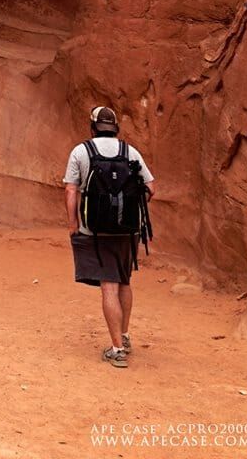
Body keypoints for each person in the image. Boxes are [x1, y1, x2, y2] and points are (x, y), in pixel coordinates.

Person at [63, 105, 155, 368]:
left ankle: (116, 349)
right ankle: (124, 336)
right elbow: (150, 188)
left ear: (92, 128)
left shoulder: (81, 152)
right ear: (115, 129)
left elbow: (71, 191)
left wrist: (73, 224)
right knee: (124, 281)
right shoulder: (130, 152)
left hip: (96, 230)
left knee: (109, 286)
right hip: (128, 230)